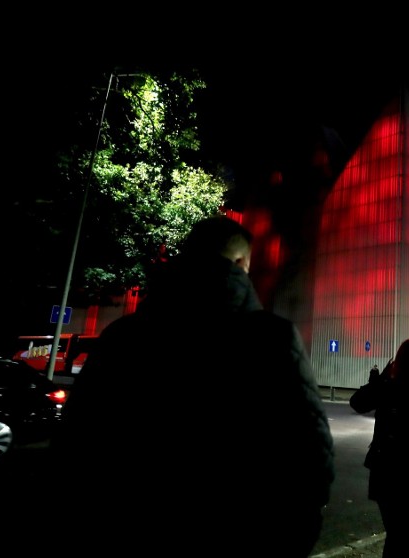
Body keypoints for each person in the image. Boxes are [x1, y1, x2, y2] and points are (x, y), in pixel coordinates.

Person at [49, 216, 335, 557]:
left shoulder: (124, 337)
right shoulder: (271, 338)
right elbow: (309, 451)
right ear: (242, 263)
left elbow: (75, 444)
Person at [349, 338, 409, 558]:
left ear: (398, 362)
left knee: (396, 538)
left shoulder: (388, 388)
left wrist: (381, 377)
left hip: (388, 474)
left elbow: (357, 402)